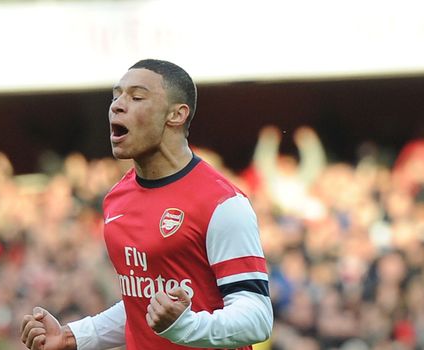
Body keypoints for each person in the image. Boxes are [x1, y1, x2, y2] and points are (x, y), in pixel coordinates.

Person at [20, 59, 273, 350]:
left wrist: (186, 326)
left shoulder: (223, 203)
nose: (117, 105)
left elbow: (257, 317)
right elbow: (141, 307)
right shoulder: (117, 199)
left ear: (176, 115)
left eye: (136, 97)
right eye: (116, 96)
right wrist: (74, 336)